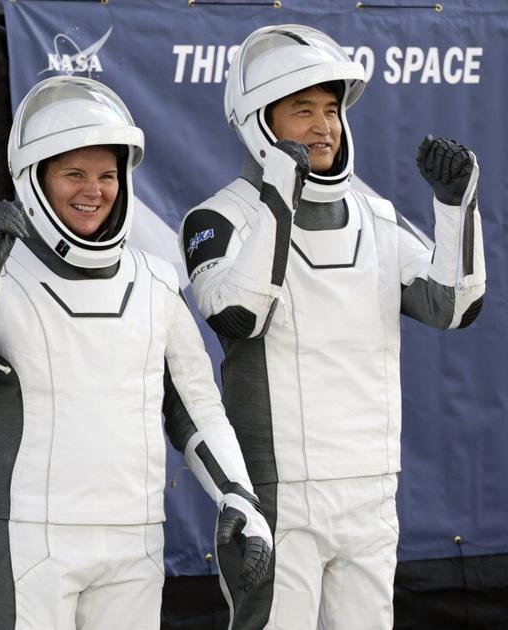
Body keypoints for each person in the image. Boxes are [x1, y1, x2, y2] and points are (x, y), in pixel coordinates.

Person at [0, 75, 272, 630]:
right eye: (74, 174)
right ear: (35, 177)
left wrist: (237, 495)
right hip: (21, 536)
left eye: (107, 175)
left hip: (134, 539)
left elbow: (196, 409)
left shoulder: (156, 280)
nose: (94, 190)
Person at [180, 24, 485, 629]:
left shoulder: (376, 216)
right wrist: (279, 192)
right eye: (303, 111)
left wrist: (456, 208)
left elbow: (454, 307)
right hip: (277, 494)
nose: (325, 127)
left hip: (370, 492)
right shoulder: (216, 219)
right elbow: (240, 316)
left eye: (332, 110)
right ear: (259, 122)